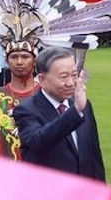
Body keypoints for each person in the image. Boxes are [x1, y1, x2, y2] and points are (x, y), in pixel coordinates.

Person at [13, 47, 105, 181]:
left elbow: (94, 154)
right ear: (42, 80)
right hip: (49, 194)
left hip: (83, 193)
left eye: (74, 75)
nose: (70, 83)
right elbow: (39, 141)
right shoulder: (26, 110)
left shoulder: (83, 105)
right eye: (63, 77)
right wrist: (75, 111)